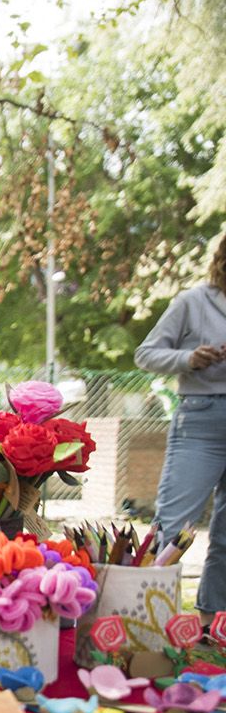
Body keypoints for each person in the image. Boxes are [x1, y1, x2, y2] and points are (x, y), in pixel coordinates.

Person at [135, 232, 226, 621]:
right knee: (173, 524)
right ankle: (144, 618)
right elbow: (145, 354)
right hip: (201, 419)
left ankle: (213, 621)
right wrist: (189, 359)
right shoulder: (193, 301)